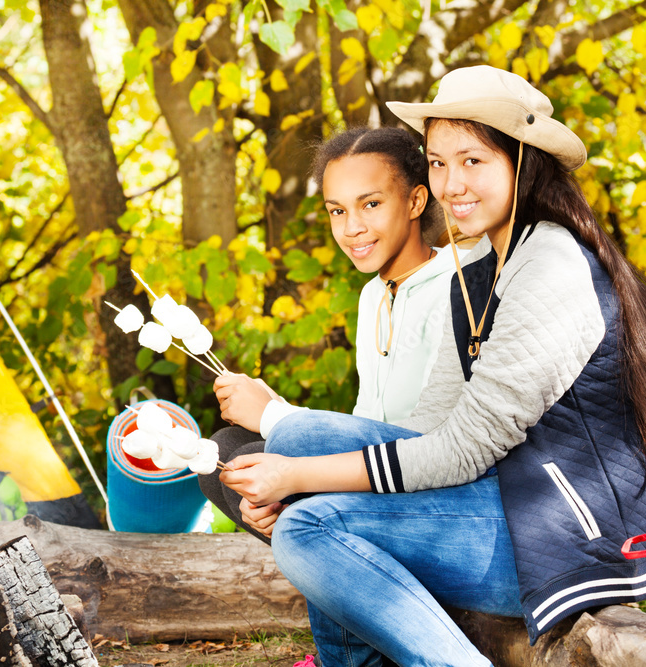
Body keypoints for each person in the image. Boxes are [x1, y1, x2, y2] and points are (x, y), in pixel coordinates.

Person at [219, 66, 646, 666]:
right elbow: (428, 432)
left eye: (472, 161)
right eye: (437, 162)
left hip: (572, 534)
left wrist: (297, 483)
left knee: (308, 526)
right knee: (297, 437)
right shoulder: (478, 271)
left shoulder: (551, 262)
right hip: (510, 497)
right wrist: (297, 472)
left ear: (522, 161)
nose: (452, 184)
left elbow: (463, 450)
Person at [201, 127, 469, 540]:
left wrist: (275, 418)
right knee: (222, 454)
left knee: (258, 456)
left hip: (430, 488)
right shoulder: (372, 296)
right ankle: (300, 535)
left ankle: (325, 540)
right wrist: (277, 408)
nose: (352, 228)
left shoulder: (465, 282)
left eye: (372, 204)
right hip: (373, 473)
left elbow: (428, 443)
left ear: (415, 200)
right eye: (337, 211)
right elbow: (369, 423)